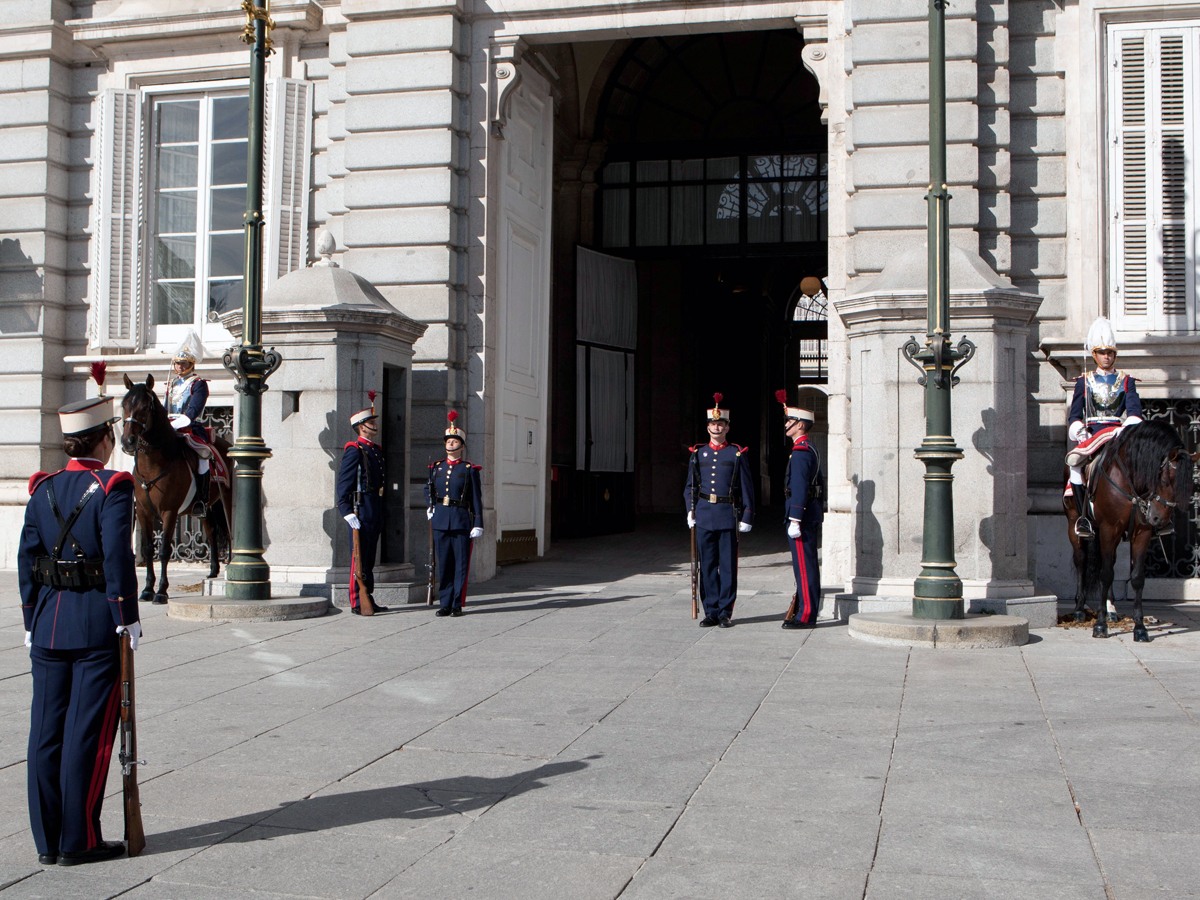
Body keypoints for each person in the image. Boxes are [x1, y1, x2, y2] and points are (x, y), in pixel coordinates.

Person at [18, 396, 140, 867]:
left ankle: (48, 841)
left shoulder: (42, 486)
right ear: (104, 439)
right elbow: (116, 558)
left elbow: (27, 560)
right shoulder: (112, 485)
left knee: (45, 733)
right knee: (85, 734)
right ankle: (79, 840)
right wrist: (126, 614)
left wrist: (31, 619)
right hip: (94, 624)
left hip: (48, 622)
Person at [1066, 317, 1144, 539]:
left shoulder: (1127, 381)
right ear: (1094, 354)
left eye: (1110, 352)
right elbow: (1074, 415)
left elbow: (1135, 413)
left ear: (1115, 354)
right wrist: (1079, 429)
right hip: (1092, 436)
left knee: (1145, 468)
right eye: (1102, 352)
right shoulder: (1084, 381)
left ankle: (1147, 520)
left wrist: (1125, 428)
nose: (1106, 356)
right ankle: (1083, 518)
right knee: (1074, 465)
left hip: (1119, 435)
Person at [684, 393, 755, 628]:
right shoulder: (698, 454)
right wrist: (690, 510)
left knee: (727, 567)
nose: (717, 427)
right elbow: (690, 487)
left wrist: (747, 515)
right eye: (713, 424)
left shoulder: (736, 454)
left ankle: (725, 611)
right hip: (704, 514)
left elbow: (747, 487)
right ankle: (711, 611)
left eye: (721, 424)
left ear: (727, 427)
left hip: (727, 515)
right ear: (708, 428)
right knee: (706, 566)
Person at [425, 410, 484, 617]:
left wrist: (478, 523)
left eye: (454, 441)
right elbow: (429, 488)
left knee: (460, 565)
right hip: (441, 519)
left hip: (460, 521)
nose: (450, 444)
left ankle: (457, 603)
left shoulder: (469, 469)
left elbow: (476, 498)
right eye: (448, 441)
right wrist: (429, 506)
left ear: (462, 445)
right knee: (445, 564)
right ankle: (445, 603)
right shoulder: (436, 468)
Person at [777, 391, 825, 629]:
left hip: (802, 517)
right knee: (806, 566)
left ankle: (806, 615)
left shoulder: (800, 452)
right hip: (809, 514)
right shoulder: (809, 449)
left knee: (804, 568)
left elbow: (799, 486)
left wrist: (795, 518)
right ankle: (805, 611)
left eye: (790, 422)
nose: (786, 425)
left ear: (800, 425)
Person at [336, 400, 389, 615]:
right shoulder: (354, 450)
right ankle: (357, 600)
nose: (374, 425)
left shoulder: (374, 450)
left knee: (369, 557)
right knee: (358, 556)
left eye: (374, 421)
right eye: (370, 422)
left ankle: (368, 595)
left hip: (373, 508)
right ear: (361, 427)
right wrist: (346, 510)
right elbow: (344, 483)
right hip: (360, 509)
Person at [165, 330, 215, 516]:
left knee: (203, 456)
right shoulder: (171, 384)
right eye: (177, 363)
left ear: (191, 364)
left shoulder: (198, 384)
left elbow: (193, 409)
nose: (178, 366)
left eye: (183, 363)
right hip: (168, 426)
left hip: (189, 427)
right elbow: (165, 407)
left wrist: (177, 423)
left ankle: (202, 500)